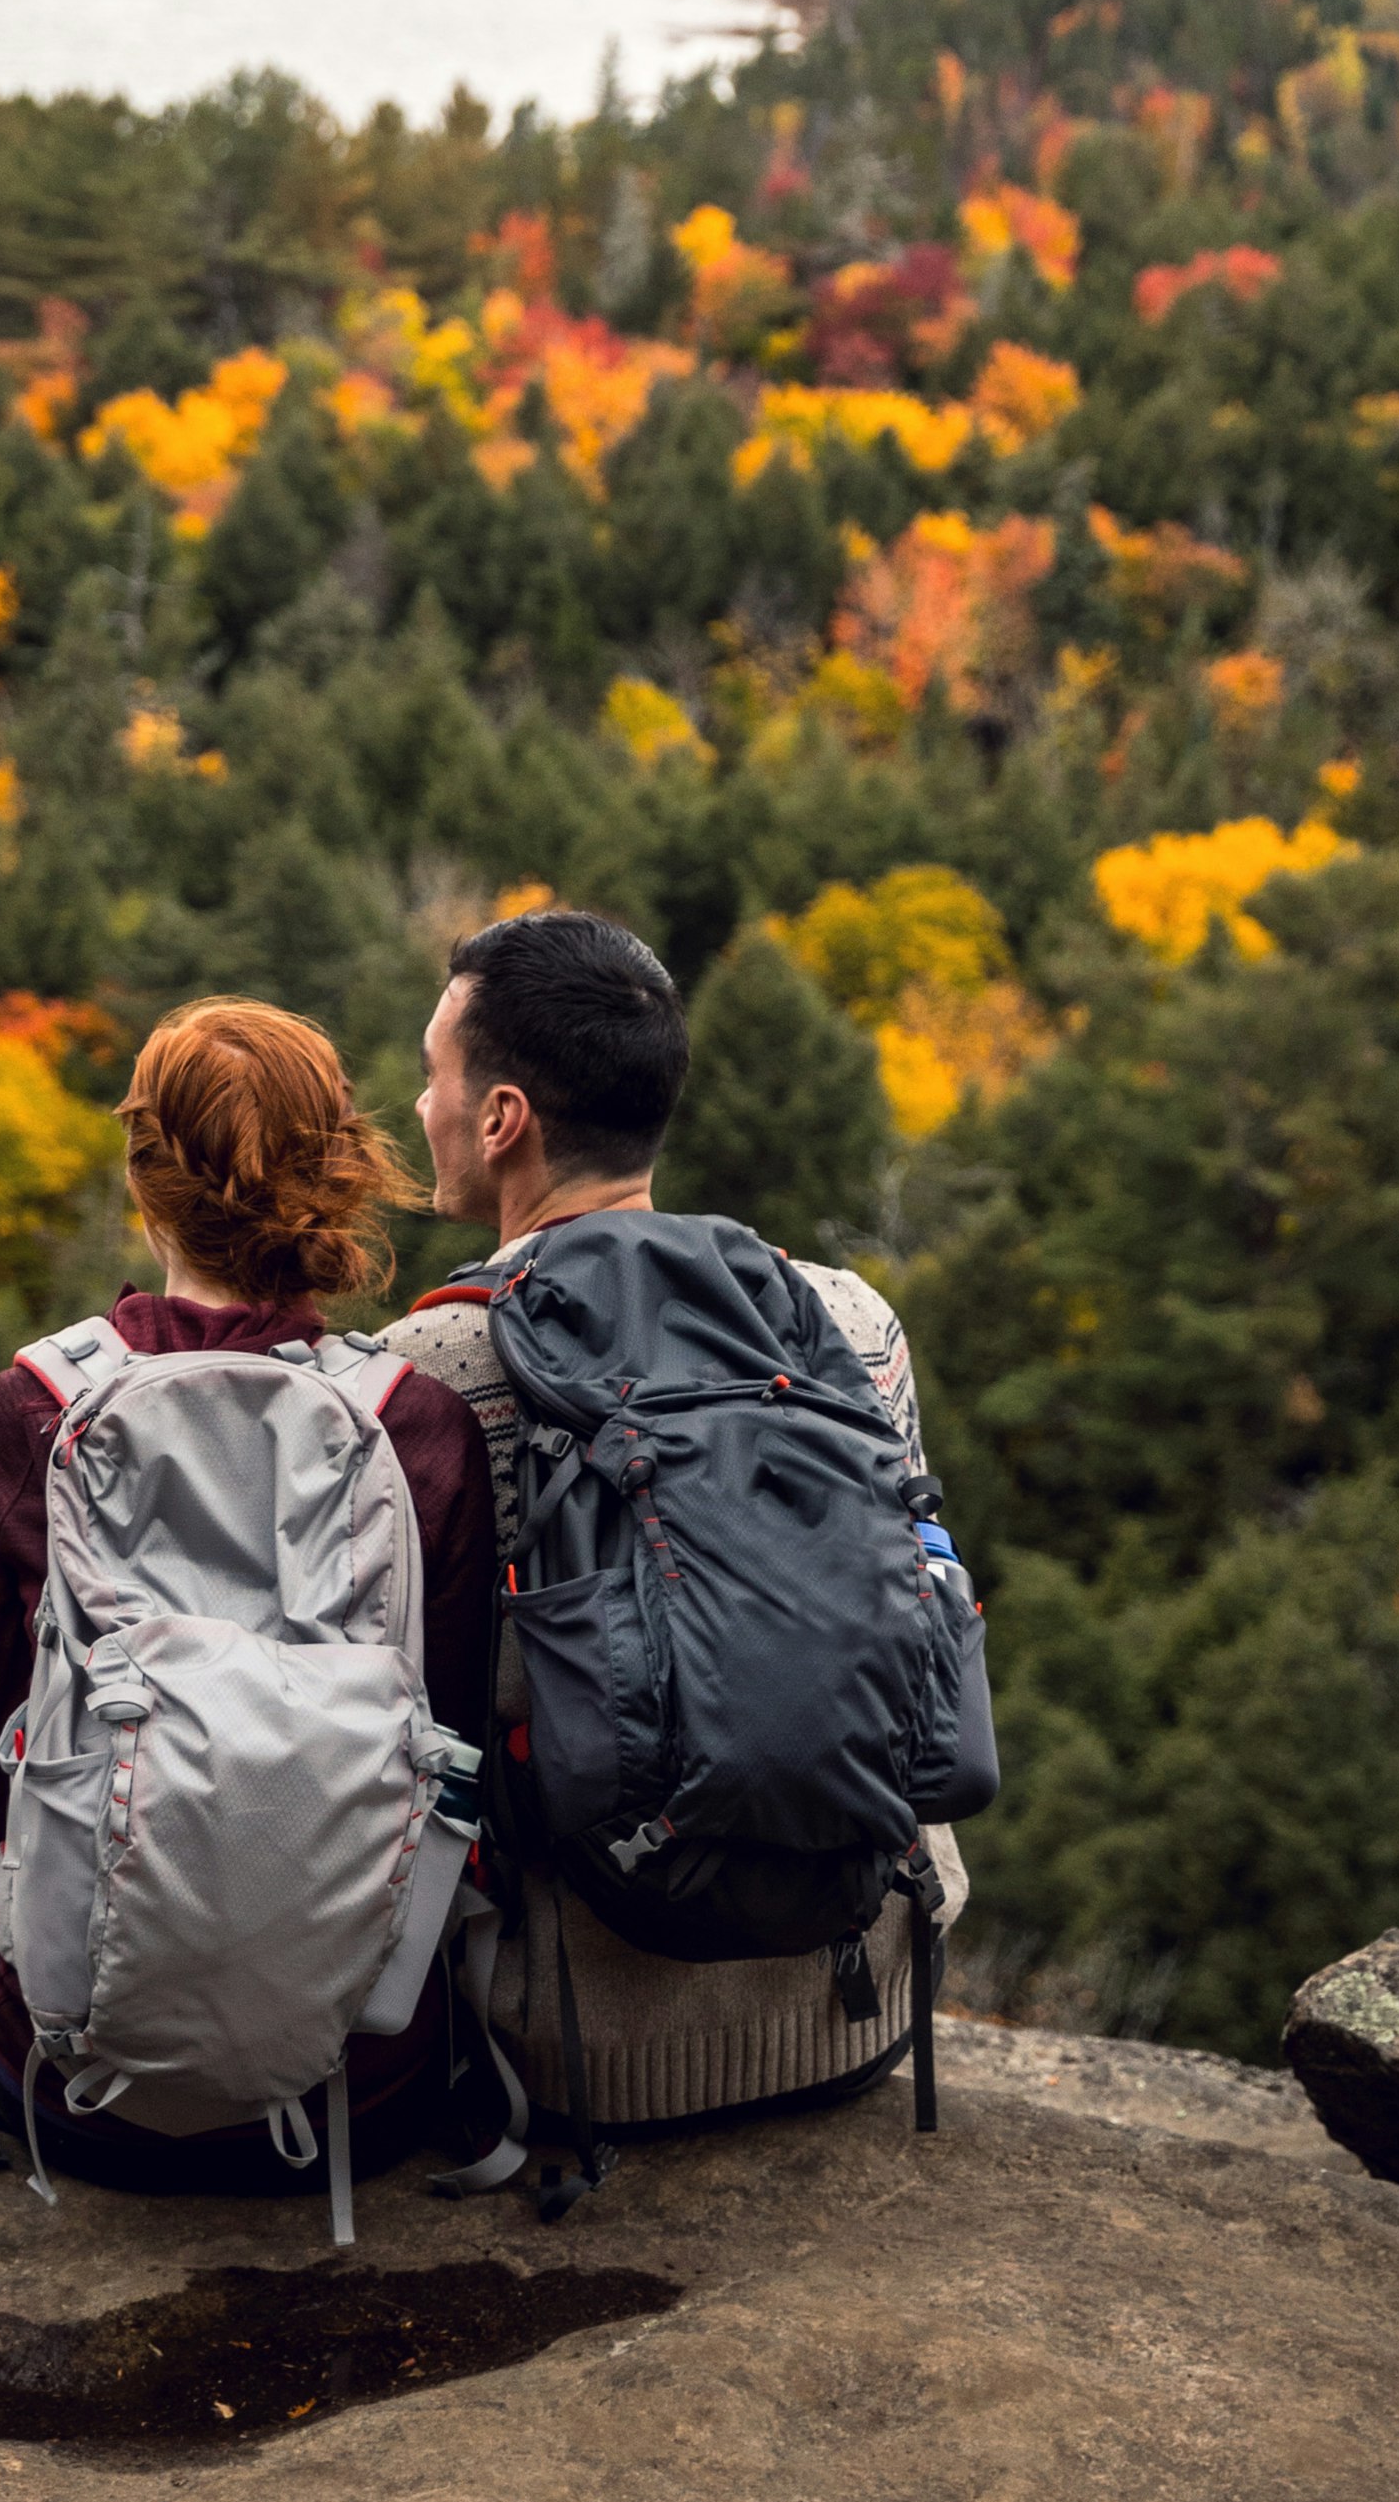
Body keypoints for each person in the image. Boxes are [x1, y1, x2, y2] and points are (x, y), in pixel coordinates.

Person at [389, 903, 972, 2147]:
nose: (419, 1104)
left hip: (577, 2050)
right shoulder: (846, 1319)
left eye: (433, 1074)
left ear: (502, 1122)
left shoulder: (420, 1369)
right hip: (857, 2012)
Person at [0, 994, 497, 2186]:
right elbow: (453, 1779)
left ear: (143, 1181)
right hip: (357, 2078)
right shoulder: (417, 1428)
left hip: (70, 2088)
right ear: (338, 1174)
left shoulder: (26, 1413)